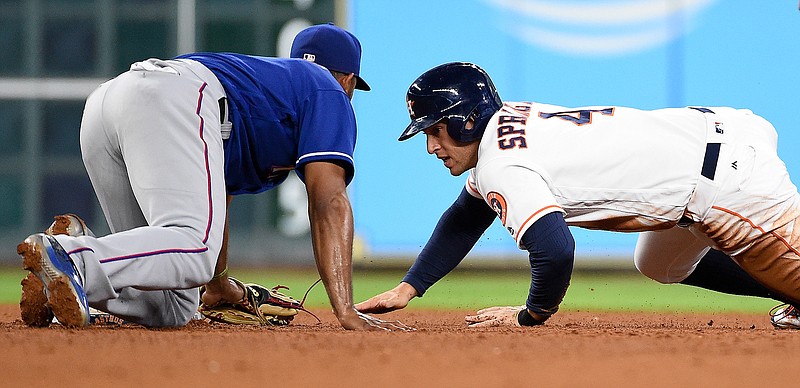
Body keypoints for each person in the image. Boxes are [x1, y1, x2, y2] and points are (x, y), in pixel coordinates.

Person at [355, 62, 800, 329]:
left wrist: (530, 314)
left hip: (730, 182)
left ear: (467, 120)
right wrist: (410, 286)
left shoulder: (500, 165)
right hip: (716, 135)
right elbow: (465, 217)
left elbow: (555, 250)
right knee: (658, 263)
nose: (431, 146)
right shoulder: (508, 124)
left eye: (434, 130)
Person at [17, 23, 403, 331]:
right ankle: (72, 258)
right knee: (194, 247)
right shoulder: (328, 90)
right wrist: (346, 309)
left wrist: (217, 283)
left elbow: (217, 194)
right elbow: (329, 202)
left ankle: (67, 274)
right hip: (171, 98)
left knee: (173, 305)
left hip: (109, 104)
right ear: (349, 79)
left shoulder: (269, 89)